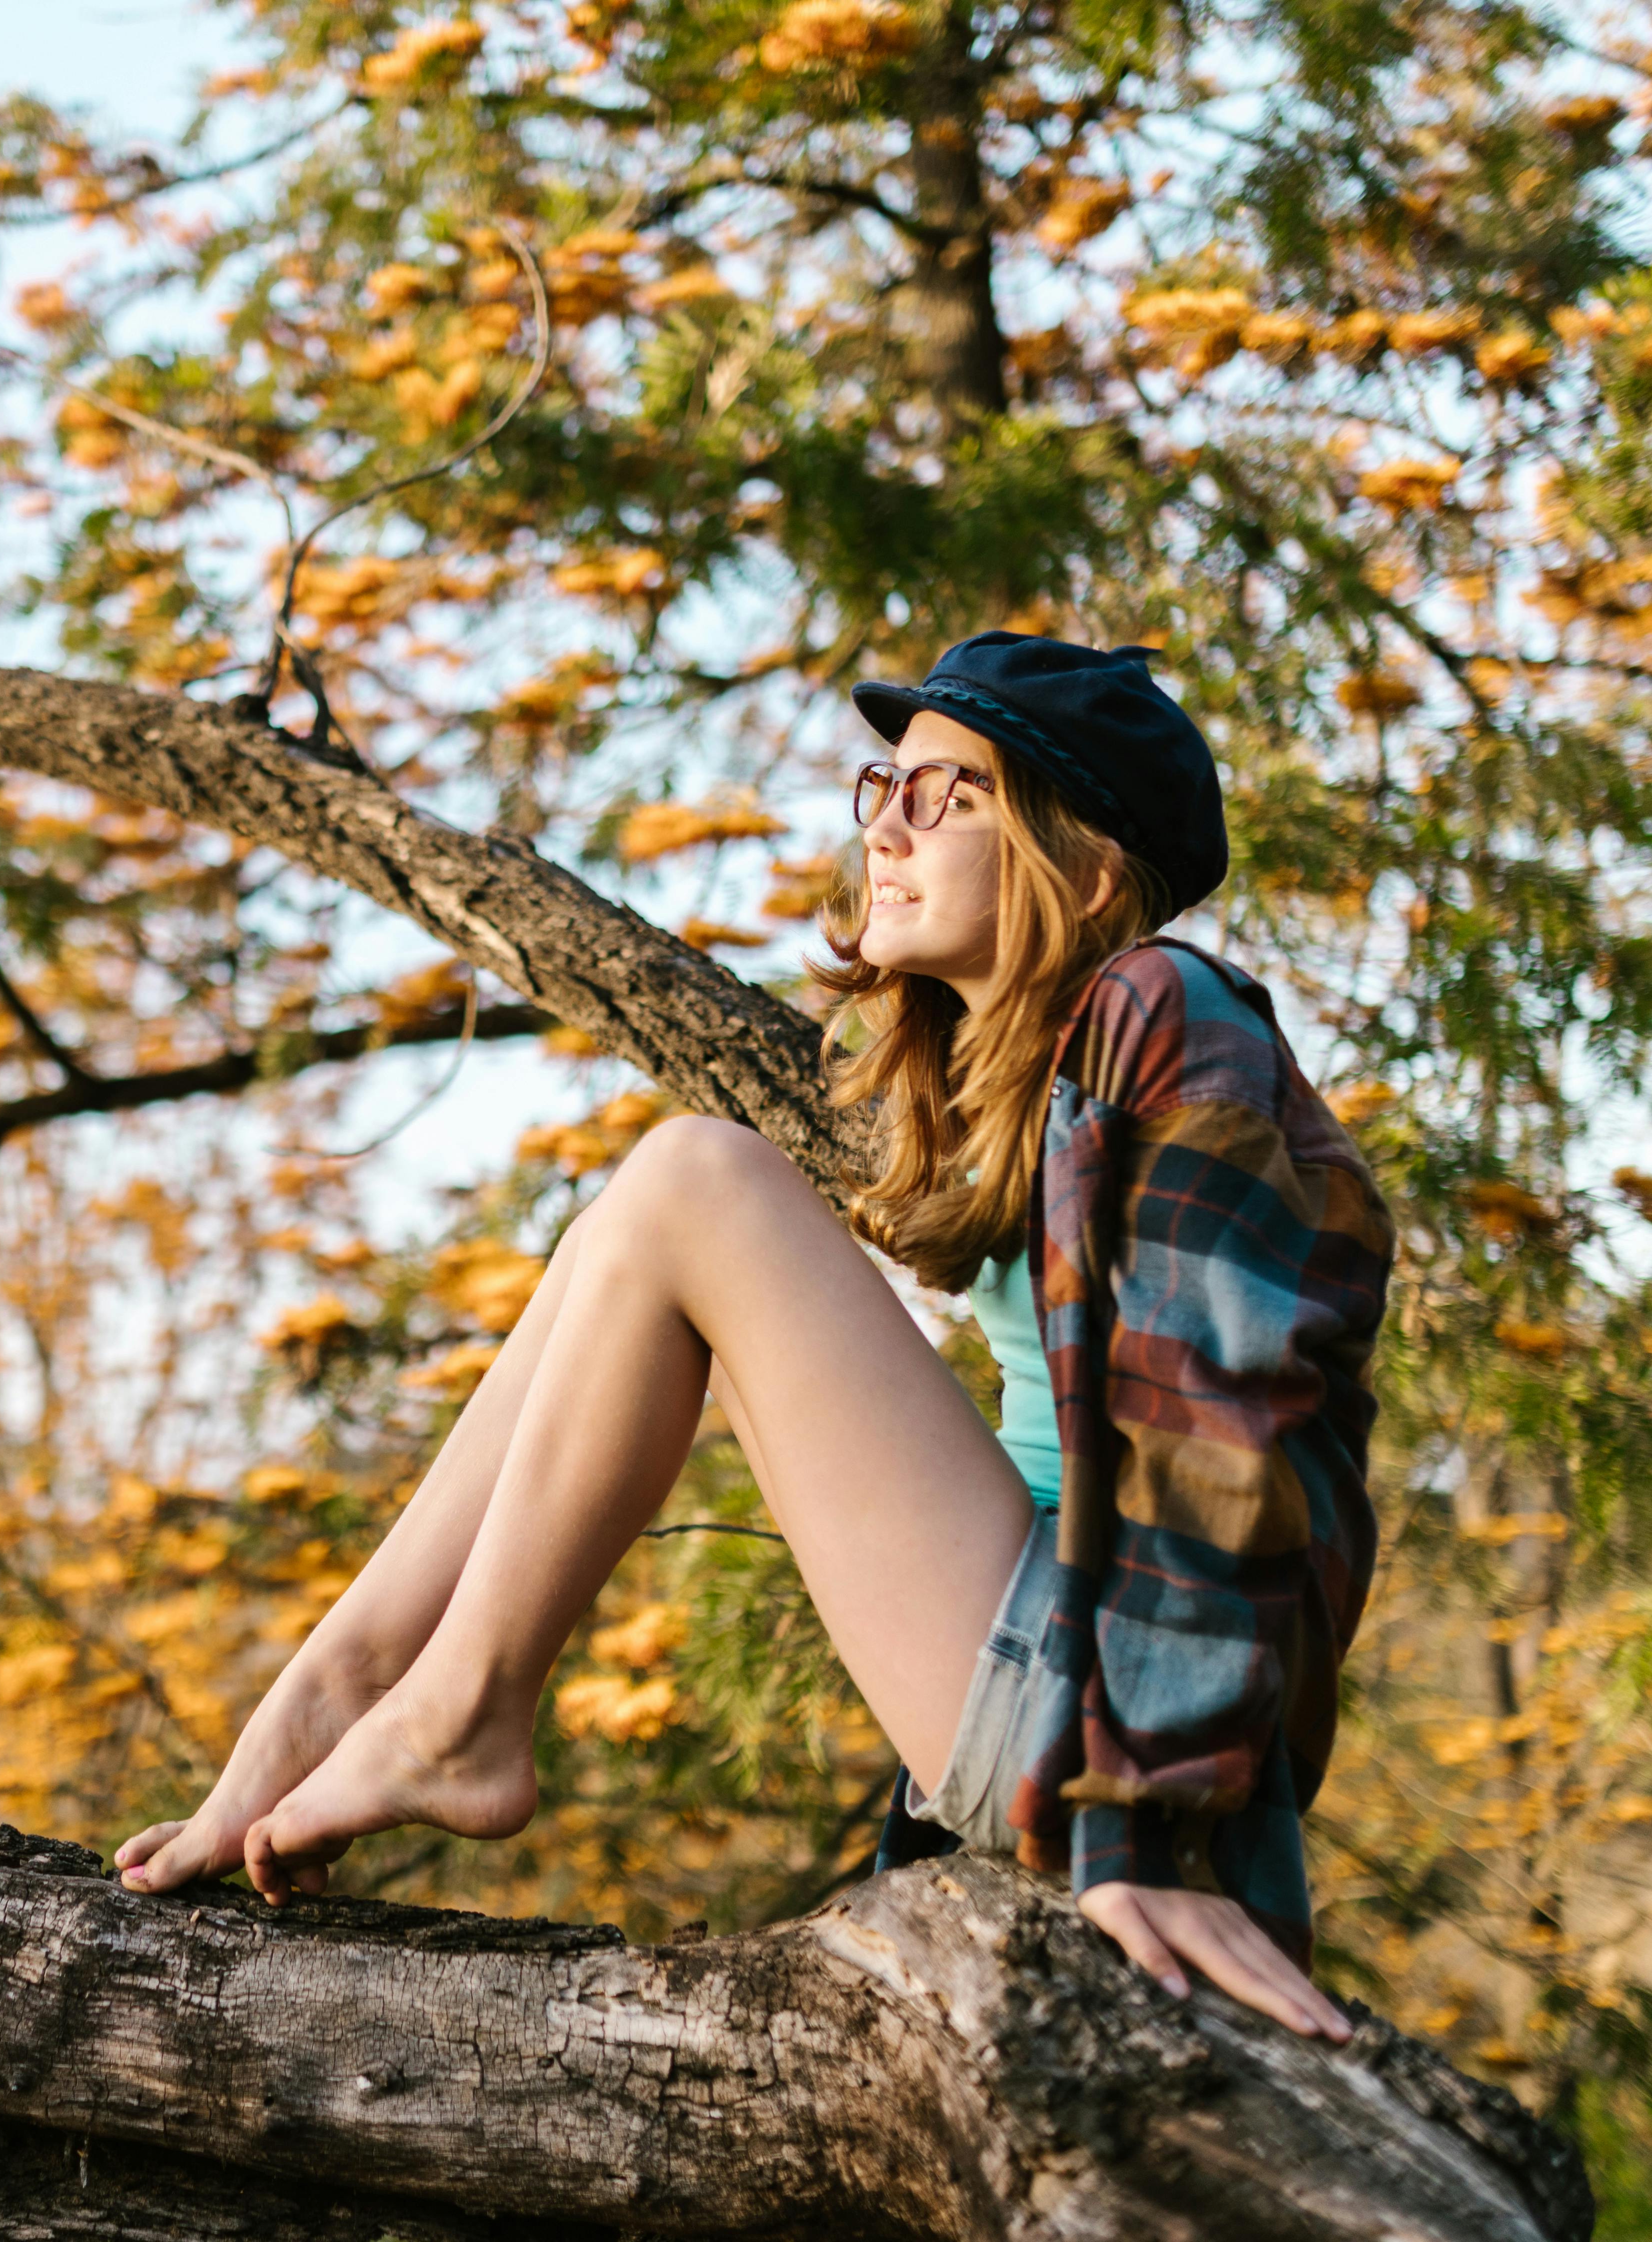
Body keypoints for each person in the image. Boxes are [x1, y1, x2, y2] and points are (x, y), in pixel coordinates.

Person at [114, 633, 1393, 2042]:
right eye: (884, 790)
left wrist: (1147, 1818)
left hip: (1110, 1724)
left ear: (1085, 872)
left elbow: (1231, 1422)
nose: (887, 832)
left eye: (948, 796)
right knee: (621, 1233)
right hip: (1050, 1686)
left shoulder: (1168, 1007)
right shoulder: (1017, 1088)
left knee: (695, 1184)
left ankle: (457, 1709)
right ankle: (340, 1688)